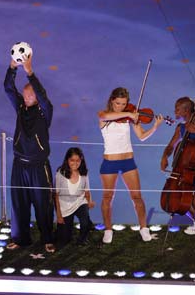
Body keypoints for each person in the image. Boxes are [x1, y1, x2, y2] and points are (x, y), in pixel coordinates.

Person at [3, 53, 55, 253]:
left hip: (38, 166)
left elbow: (43, 95)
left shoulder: (45, 112)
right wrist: (12, 66)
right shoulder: (20, 108)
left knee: (43, 204)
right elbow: (8, 88)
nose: (26, 99)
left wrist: (30, 72)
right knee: (19, 203)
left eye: (30, 96)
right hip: (20, 165)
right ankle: (20, 238)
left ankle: (47, 238)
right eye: (24, 96)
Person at [98, 87, 163, 243]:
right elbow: (106, 115)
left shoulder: (130, 117)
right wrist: (128, 113)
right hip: (109, 163)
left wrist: (154, 127)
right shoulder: (103, 116)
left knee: (137, 197)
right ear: (112, 101)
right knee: (107, 197)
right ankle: (108, 230)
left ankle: (144, 228)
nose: (121, 106)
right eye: (118, 103)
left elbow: (141, 136)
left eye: (124, 104)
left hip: (128, 162)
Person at [160, 97, 195, 234]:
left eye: (178, 108)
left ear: (186, 110)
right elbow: (170, 146)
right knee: (184, 202)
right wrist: (164, 156)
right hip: (186, 172)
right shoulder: (180, 128)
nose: (175, 111)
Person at [54, 147, 95, 246]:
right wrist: (59, 215)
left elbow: (87, 191)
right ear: (67, 160)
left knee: (84, 221)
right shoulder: (61, 173)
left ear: (81, 161)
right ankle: (63, 230)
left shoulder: (84, 173)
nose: (75, 163)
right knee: (64, 239)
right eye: (72, 160)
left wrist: (89, 202)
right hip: (65, 206)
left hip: (79, 202)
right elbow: (56, 195)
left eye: (78, 161)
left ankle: (83, 238)